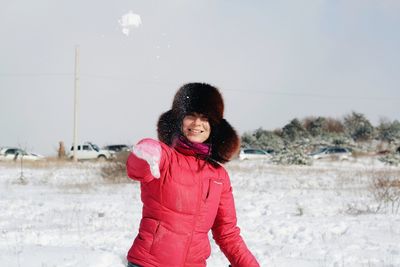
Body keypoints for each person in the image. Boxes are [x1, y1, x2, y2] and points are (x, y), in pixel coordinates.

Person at [126, 83, 260, 267]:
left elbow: (227, 233)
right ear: (179, 120)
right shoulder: (165, 157)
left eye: (205, 118)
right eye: (191, 116)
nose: (197, 123)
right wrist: (146, 151)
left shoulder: (219, 175)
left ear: (213, 126)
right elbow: (137, 169)